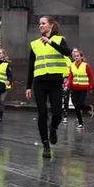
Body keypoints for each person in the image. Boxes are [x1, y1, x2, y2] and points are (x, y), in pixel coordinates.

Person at [26, 16, 72, 159]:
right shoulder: (34, 44)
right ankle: (46, 145)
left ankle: (53, 128)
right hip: (39, 82)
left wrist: (50, 42)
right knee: (42, 113)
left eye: (43, 23)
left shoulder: (59, 39)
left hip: (55, 82)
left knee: (57, 113)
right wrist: (28, 86)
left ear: (51, 25)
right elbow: (31, 66)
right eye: (39, 23)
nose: (40, 25)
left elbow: (67, 52)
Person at [65, 49, 94, 129]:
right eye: (75, 56)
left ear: (81, 57)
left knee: (79, 104)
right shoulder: (72, 65)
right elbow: (70, 77)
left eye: (78, 56)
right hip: (74, 87)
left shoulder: (86, 65)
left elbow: (91, 77)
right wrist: (67, 85)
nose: (76, 57)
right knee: (76, 106)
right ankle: (81, 123)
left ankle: (89, 107)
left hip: (83, 88)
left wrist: (90, 86)